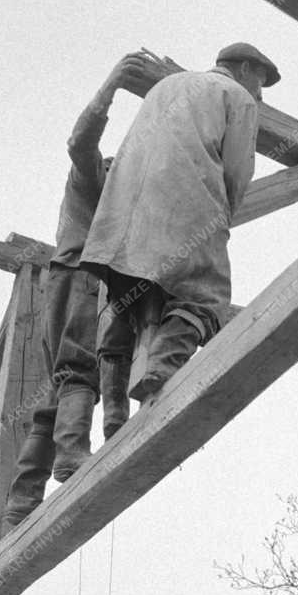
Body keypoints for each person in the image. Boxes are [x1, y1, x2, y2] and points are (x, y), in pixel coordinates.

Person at [2, 52, 160, 530]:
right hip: (80, 278)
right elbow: (80, 142)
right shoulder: (90, 176)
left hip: (63, 279)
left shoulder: (111, 195)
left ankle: (22, 497)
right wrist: (110, 88)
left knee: (55, 389)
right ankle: (71, 457)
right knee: (78, 372)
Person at [81, 42, 279, 403]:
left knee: (129, 299)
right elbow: (237, 172)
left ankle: (113, 411)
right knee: (206, 295)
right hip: (184, 199)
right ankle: (164, 363)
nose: (260, 95)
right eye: (260, 82)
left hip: (124, 211)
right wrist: (222, 221)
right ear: (245, 69)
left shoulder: (165, 87)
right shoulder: (237, 96)